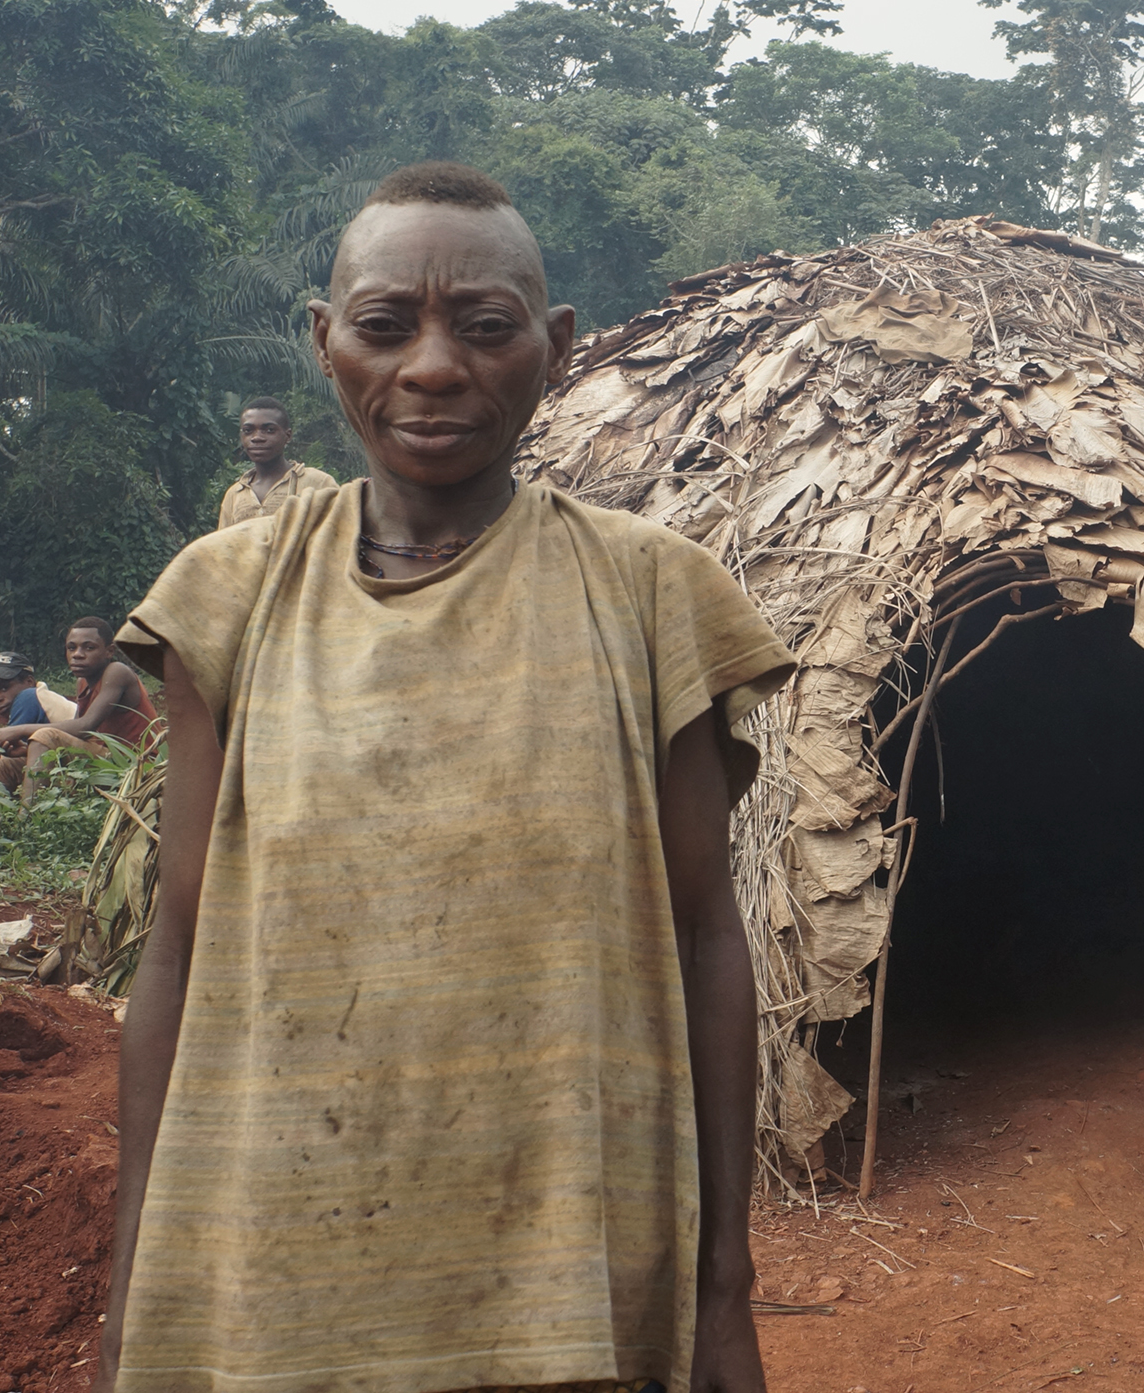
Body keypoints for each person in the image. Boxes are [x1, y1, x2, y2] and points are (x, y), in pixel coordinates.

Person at [95, 161, 795, 1393]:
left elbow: (703, 935)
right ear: (325, 344)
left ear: (554, 345)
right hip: (282, 1271)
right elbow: (179, 945)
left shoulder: (649, 595)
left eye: (482, 327)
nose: (429, 368)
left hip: (572, 1282)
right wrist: (132, 1288)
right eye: (383, 326)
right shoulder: (227, 597)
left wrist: (723, 1285)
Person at [0, 618, 160, 802]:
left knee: (45, 736)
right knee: (2, 765)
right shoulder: (83, 682)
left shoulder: (117, 672)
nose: (78, 654)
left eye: (89, 648)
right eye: (71, 648)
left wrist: (19, 730)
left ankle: (27, 822)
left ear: (109, 651)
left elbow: (85, 726)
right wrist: (25, 750)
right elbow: (82, 738)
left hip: (136, 764)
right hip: (105, 760)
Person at [215, 395, 338, 529]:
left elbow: (341, 535)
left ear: (288, 435)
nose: (256, 438)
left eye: (269, 430)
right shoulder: (234, 495)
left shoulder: (318, 483)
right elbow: (225, 546)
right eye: (248, 431)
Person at [0, 652, 79, 792]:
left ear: (29, 682)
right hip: (74, 764)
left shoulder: (29, 696)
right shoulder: (44, 699)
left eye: (4, 688)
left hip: (85, 765)